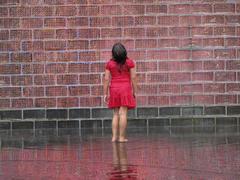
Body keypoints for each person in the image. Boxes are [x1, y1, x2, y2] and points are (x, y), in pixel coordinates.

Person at [103, 43, 137, 143]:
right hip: (125, 89)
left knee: (115, 114)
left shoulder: (109, 64)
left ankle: (114, 137)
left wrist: (105, 93)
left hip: (114, 89)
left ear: (113, 53)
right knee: (123, 114)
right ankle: (121, 138)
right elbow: (134, 77)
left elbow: (106, 79)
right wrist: (135, 91)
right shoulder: (130, 62)